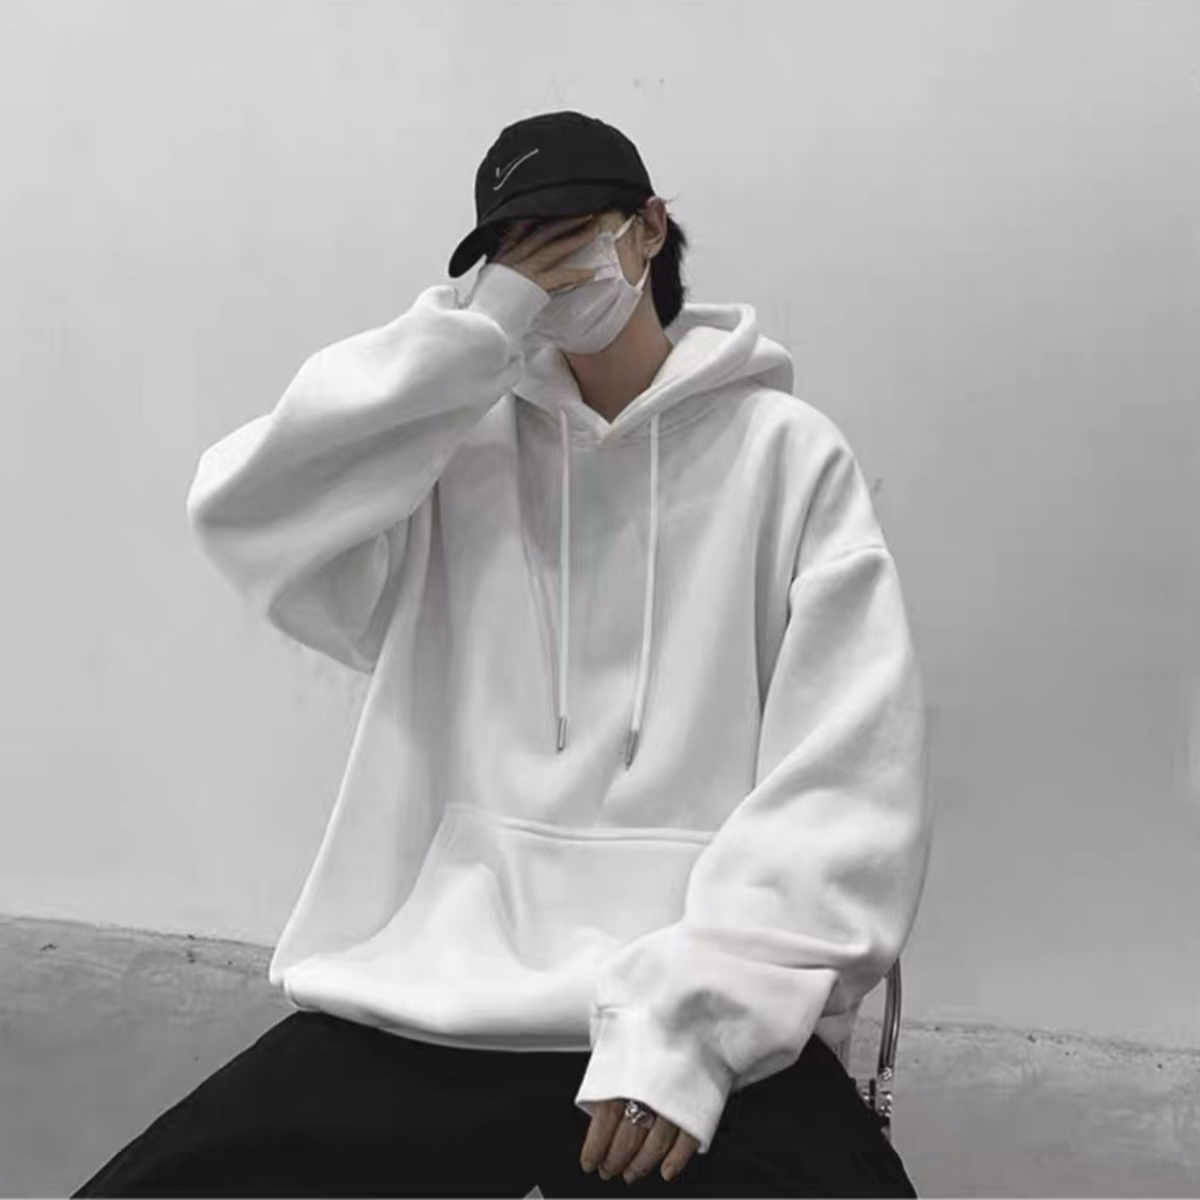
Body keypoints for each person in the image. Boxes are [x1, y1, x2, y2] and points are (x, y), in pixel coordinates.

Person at [74, 109, 932, 1197]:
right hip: (441, 988)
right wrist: (473, 340)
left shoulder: (789, 457)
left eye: (569, 237)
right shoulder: (452, 454)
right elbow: (246, 510)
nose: (549, 276)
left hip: (691, 988)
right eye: (513, 256)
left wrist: (694, 1029)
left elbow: (847, 782)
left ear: (650, 229)